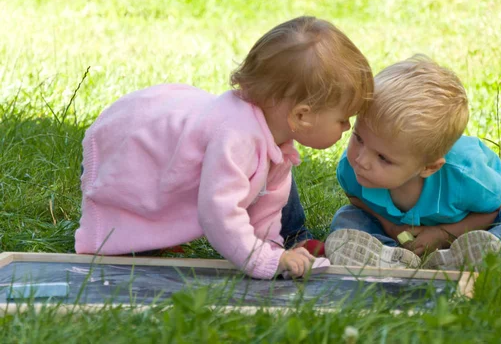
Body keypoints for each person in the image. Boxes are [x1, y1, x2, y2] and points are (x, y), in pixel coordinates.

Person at [75, 16, 373, 279]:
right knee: (129, 223)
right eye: (342, 119)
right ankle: (139, 232)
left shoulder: (275, 140)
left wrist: (272, 251)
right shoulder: (236, 137)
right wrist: (259, 261)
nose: (347, 127)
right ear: (301, 115)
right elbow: (219, 213)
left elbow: (266, 208)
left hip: (164, 130)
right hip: (132, 141)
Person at [324, 55, 501, 270]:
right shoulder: (352, 165)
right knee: (346, 217)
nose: (361, 159)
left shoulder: (463, 174)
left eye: (383, 158)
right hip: (400, 232)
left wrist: (444, 233)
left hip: (473, 226)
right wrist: (390, 228)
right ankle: (393, 256)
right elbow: (356, 198)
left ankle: (483, 252)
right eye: (358, 137)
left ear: (428, 167)